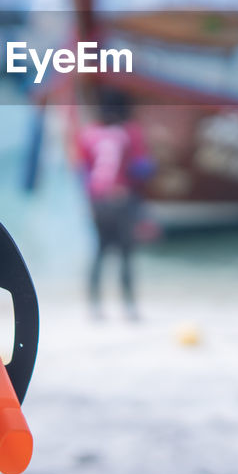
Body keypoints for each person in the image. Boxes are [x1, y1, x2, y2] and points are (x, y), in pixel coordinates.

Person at [75, 87, 152, 320]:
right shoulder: (130, 132)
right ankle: (129, 308)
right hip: (121, 198)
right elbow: (141, 169)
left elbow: (84, 173)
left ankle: (94, 306)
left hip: (97, 201)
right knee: (126, 254)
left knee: (99, 251)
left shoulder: (87, 134)